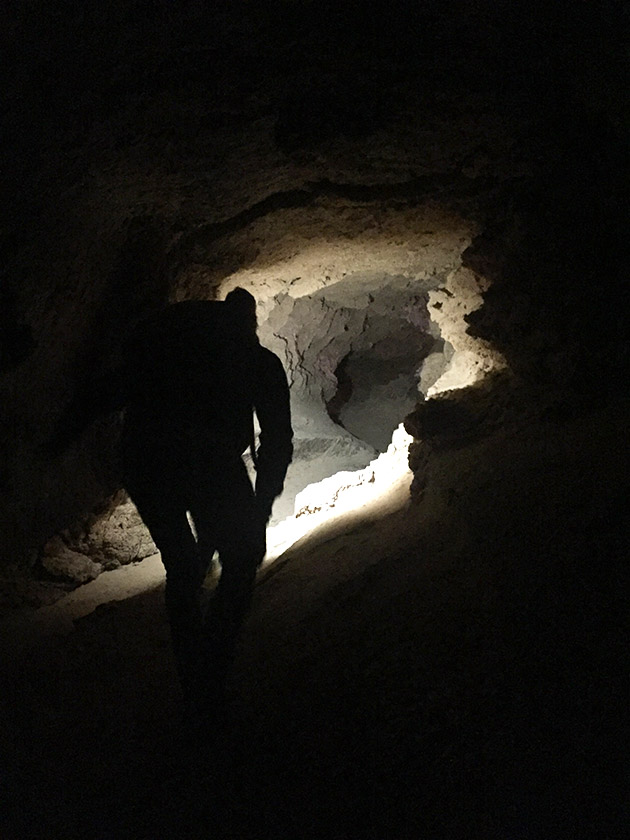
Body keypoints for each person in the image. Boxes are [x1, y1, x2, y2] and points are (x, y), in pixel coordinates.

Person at [49, 288, 293, 710]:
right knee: (242, 556)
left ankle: (195, 679)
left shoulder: (170, 353)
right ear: (249, 324)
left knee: (182, 567)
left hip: (146, 460)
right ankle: (210, 668)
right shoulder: (256, 360)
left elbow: (103, 395)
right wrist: (262, 502)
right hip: (209, 459)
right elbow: (277, 440)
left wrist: (54, 443)